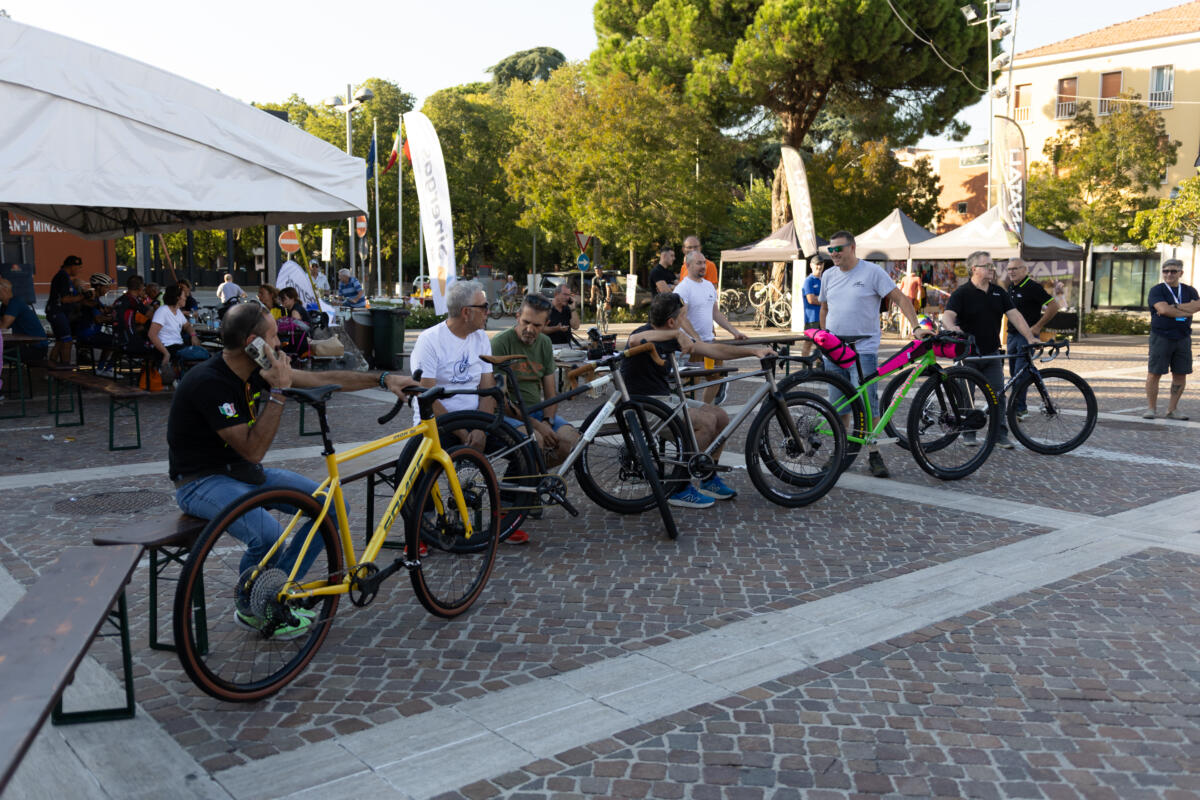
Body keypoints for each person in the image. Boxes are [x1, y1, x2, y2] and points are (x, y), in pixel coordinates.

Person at [167, 302, 416, 637]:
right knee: (268, 535)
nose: (280, 344)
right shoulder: (209, 383)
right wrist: (278, 391)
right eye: (274, 337)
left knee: (331, 506)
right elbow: (254, 450)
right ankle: (251, 605)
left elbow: (324, 378)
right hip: (200, 481)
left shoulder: (257, 369)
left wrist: (384, 379)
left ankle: (273, 594)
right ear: (253, 343)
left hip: (242, 473)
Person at [624, 292, 772, 509]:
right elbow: (633, 340)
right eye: (683, 316)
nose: (686, 321)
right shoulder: (645, 333)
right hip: (643, 406)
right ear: (671, 322)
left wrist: (753, 351)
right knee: (705, 423)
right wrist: (678, 334)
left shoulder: (670, 336)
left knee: (720, 416)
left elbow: (712, 350)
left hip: (664, 400)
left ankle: (708, 478)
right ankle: (679, 487)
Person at [818, 230, 927, 478]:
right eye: (830, 250)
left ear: (852, 248)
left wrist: (916, 327)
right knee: (839, 406)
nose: (833, 254)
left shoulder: (872, 272)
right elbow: (824, 308)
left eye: (838, 249)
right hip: (834, 351)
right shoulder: (828, 275)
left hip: (863, 351)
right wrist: (824, 337)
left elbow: (901, 298)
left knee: (868, 406)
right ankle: (840, 452)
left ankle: (873, 453)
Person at [941, 251, 1039, 449]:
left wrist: (1030, 337)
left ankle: (999, 434)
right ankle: (968, 432)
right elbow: (947, 316)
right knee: (966, 396)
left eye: (992, 265)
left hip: (992, 353)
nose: (992, 269)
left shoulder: (998, 292)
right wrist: (952, 328)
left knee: (998, 396)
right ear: (974, 269)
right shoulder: (962, 292)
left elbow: (1015, 316)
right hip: (967, 354)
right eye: (987, 266)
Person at [491, 293, 581, 467]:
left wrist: (547, 421)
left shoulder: (545, 343)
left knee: (572, 442)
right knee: (534, 441)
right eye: (526, 322)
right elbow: (501, 401)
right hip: (507, 415)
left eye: (537, 325)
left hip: (537, 412)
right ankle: (524, 478)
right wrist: (539, 427)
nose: (530, 329)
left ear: (546, 324)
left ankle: (532, 476)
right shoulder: (500, 343)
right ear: (518, 317)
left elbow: (551, 394)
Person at [408, 280, 497, 442]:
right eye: (484, 307)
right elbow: (427, 397)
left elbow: (488, 391)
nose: (488, 312)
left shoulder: (481, 337)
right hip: (438, 423)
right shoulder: (429, 340)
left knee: (524, 444)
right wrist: (463, 434)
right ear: (466, 312)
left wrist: (481, 429)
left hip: (475, 421)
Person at [674, 250, 748, 402]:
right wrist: (696, 338)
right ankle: (690, 414)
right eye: (699, 263)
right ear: (688, 265)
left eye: (704, 263)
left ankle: (705, 408)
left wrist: (734, 332)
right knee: (690, 385)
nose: (703, 266)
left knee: (715, 379)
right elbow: (681, 317)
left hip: (709, 342)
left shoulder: (709, 286)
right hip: (690, 345)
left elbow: (715, 313)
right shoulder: (683, 288)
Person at [1144, 258, 1200, 420]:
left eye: (1173, 271)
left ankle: (1172, 409)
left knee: (1180, 374)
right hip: (1161, 336)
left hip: (1183, 337)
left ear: (1180, 273)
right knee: (1154, 373)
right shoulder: (1157, 290)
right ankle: (1151, 409)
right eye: (1166, 271)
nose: (1169, 274)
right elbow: (1162, 309)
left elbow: (1197, 306)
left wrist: (1174, 307)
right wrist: (1185, 310)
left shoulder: (1189, 290)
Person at [1005, 258, 1061, 418]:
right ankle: (1033, 402)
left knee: (1019, 373)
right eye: (1009, 269)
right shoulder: (1011, 287)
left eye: (1015, 268)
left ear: (1025, 270)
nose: (1011, 272)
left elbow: (1054, 306)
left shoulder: (1032, 287)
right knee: (1016, 373)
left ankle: (1020, 409)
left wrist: (1037, 326)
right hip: (1012, 335)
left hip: (1026, 337)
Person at [149, 284, 204, 384]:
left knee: (202, 353)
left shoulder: (177, 311)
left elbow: (187, 326)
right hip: (167, 347)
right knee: (201, 354)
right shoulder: (163, 311)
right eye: (184, 296)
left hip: (177, 346)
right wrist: (166, 353)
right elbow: (152, 334)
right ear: (178, 298)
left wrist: (193, 335)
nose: (185, 298)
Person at [74, 274, 117, 376]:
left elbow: (105, 310)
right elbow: (99, 319)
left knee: (113, 340)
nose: (108, 289)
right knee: (119, 341)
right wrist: (113, 318)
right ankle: (106, 369)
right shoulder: (92, 300)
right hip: (87, 334)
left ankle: (101, 369)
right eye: (106, 287)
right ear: (98, 287)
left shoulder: (96, 300)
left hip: (91, 333)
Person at [45, 255, 85, 365]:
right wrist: (82, 297)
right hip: (57, 312)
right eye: (79, 267)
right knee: (67, 341)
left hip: (56, 312)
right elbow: (64, 299)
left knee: (59, 341)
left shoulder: (64, 277)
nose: (79, 270)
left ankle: (51, 366)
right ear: (71, 266)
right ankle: (66, 368)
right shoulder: (63, 277)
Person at [0, 277, 49, 361]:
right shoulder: (4, 306)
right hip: (22, 345)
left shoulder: (15, 302)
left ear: (4, 290)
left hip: (35, 348)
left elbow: (3, 326)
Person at [112, 274, 154, 357]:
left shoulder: (119, 300)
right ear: (140, 288)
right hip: (129, 340)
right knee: (158, 347)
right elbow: (151, 315)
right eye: (143, 287)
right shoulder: (133, 300)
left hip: (117, 338)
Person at [800, 256, 827, 357]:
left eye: (821, 264)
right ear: (811, 265)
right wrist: (825, 301)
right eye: (817, 264)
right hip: (812, 319)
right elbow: (811, 299)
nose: (819, 266)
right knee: (808, 343)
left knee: (822, 345)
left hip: (824, 318)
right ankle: (805, 365)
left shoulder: (824, 280)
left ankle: (820, 365)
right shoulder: (809, 280)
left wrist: (819, 299)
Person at [897, 269, 925, 337]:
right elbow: (900, 289)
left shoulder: (916, 278)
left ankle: (909, 332)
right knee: (903, 316)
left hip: (911, 298)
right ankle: (902, 333)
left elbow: (919, 290)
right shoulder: (905, 278)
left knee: (910, 316)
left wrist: (918, 300)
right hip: (905, 298)